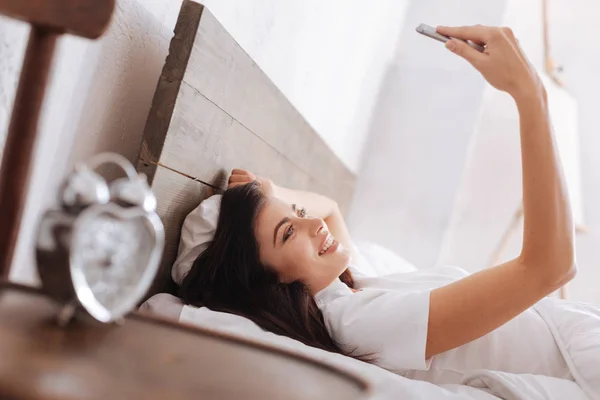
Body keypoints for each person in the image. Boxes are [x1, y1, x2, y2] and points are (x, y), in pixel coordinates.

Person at [180, 25, 577, 383]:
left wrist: (273, 196)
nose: (313, 224)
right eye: (287, 233)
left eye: (299, 216)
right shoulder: (359, 323)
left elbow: (330, 210)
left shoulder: (342, 293)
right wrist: (529, 93)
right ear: (268, 284)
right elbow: (550, 268)